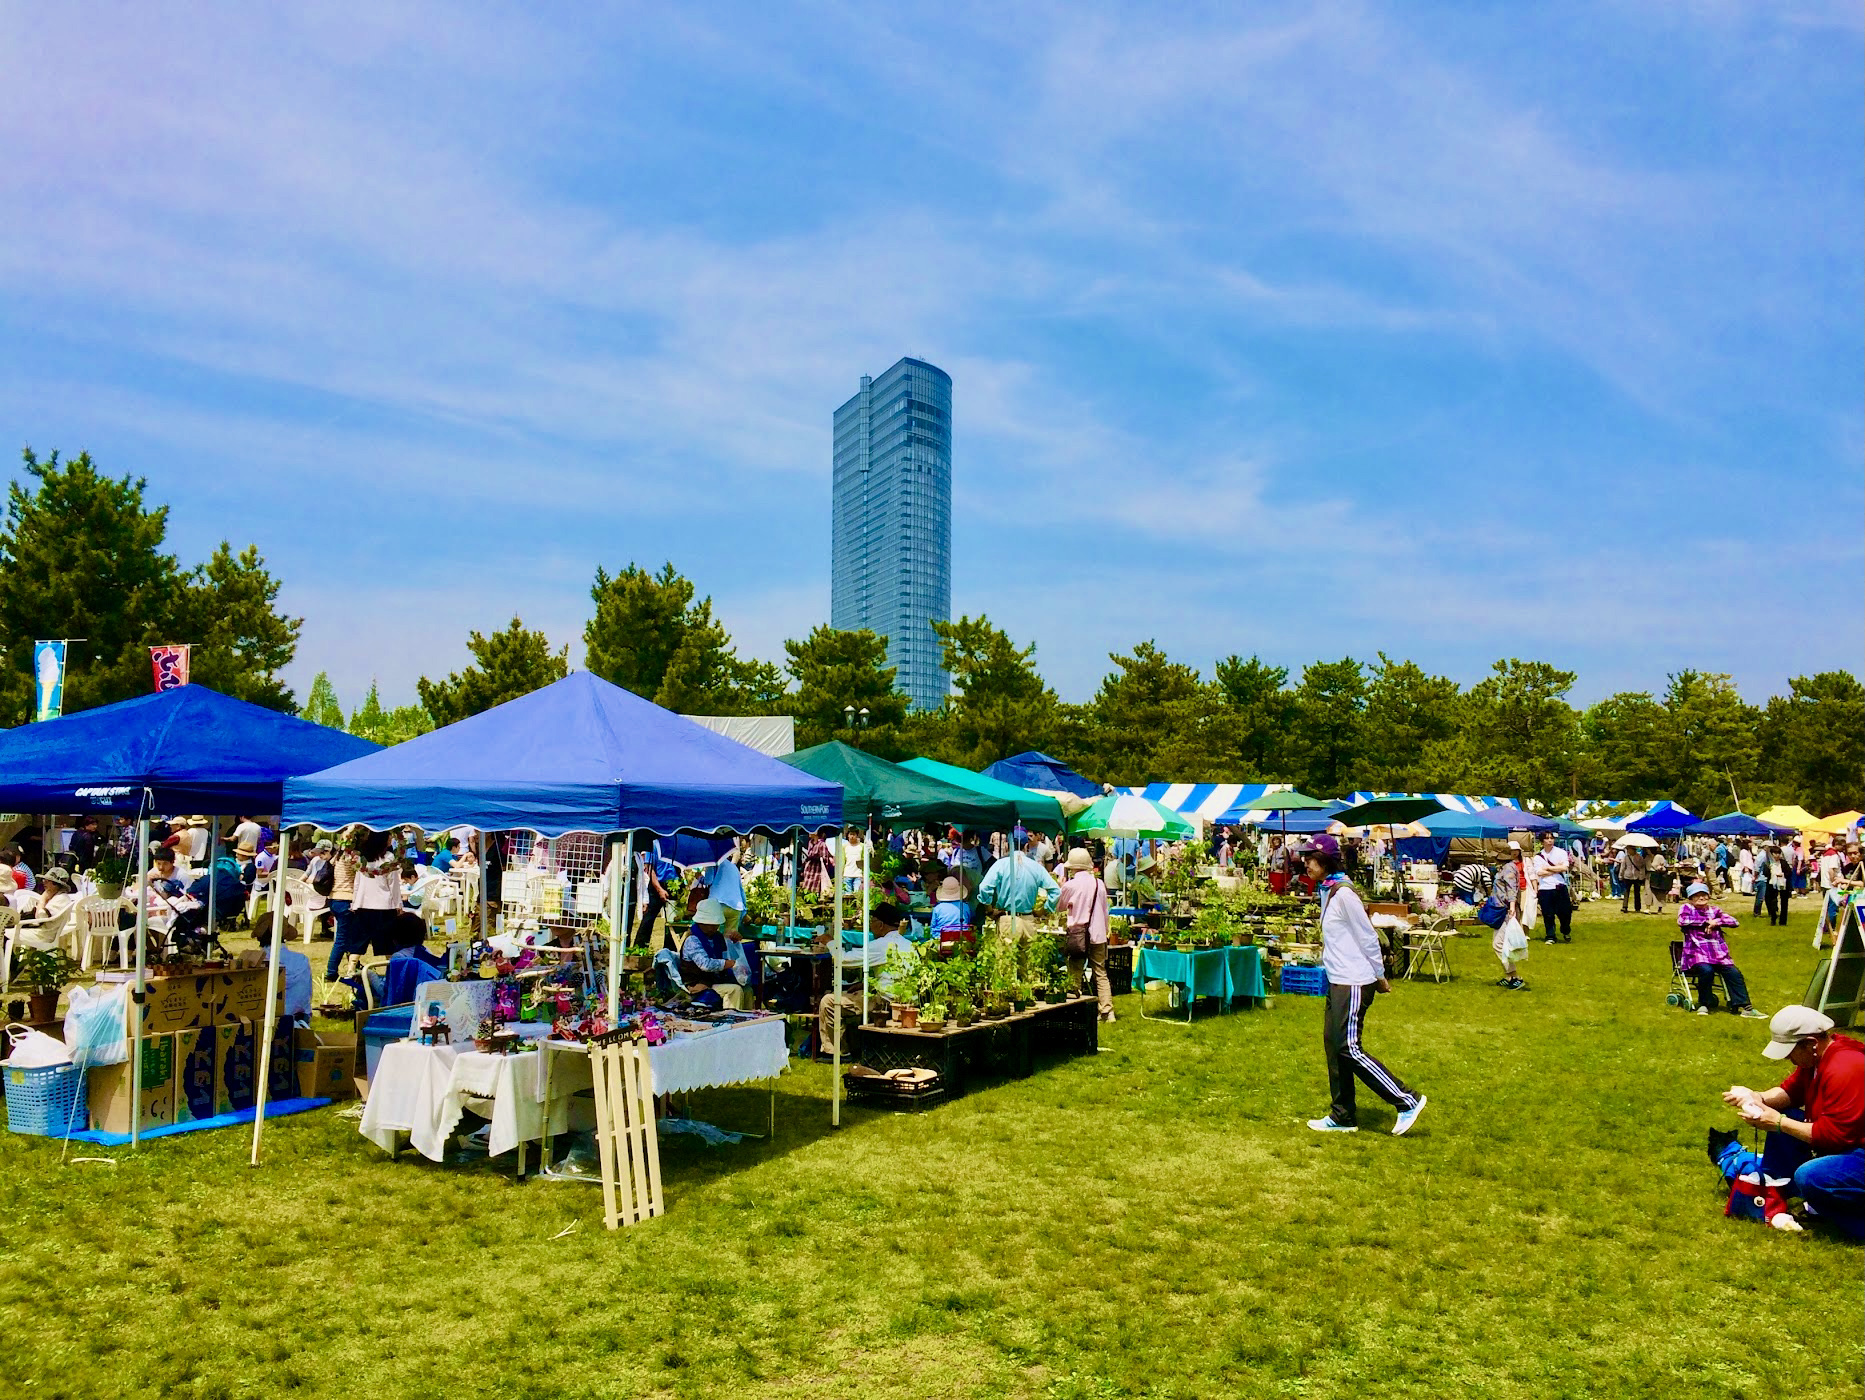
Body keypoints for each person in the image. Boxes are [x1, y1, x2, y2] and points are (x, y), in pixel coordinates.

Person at [1301, 835, 1426, 1136]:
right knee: (1334, 1046)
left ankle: (1407, 1100)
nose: (1306, 862)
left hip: (1355, 981)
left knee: (1349, 1047)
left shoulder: (1344, 894)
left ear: (1326, 861)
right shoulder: (1328, 891)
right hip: (1338, 979)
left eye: (1311, 858)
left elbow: (1368, 936)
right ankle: (1342, 1115)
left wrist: (1380, 976)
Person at [1713, 1006, 1865, 1237]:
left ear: (1811, 1043)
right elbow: (1791, 1093)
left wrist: (1778, 1122)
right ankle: (1780, 1190)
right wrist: (1758, 1097)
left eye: (1790, 1050)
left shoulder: (1846, 1068)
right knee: (1791, 1122)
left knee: (1811, 1176)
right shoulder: (1817, 1060)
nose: (1787, 1057)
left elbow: (1834, 1136)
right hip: (1848, 1145)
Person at [1678, 882, 1765, 1018]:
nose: (1701, 898)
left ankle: (1745, 1007)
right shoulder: (1686, 908)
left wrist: (1716, 922)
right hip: (1697, 953)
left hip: (1719, 954)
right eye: (1697, 896)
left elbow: (1734, 922)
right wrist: (1707, 922)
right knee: (1706, 971)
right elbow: (1683, 921)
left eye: (1704, 895)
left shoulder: (1715, 910)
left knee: (1734, 973)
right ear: (1691, 898)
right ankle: (1704, 1004)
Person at [1055, 847, 1114, 1022]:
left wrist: (1060, 887)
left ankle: (1075, 1009)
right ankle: (1107, 1010)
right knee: (1100, 972)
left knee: (1075, 970)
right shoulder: (1099, 884)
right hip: (1098, 933)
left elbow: (1059, 907)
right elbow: (1104, 910)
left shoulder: (1070, 885)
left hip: (1078, 933)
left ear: (1072, 867)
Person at [976, 836, 1060, 947]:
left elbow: (984, 887)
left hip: (1007, 919)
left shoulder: (1001, 864)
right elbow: (1056, 891)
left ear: (1007, 845)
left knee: (1006, 962)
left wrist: (989, 910)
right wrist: (1044, 910)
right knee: (1026, 963)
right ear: (1026, 846)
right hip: (1028, 920)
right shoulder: (1036, 866)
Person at [679, 898, 754, 1010]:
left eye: (716, 924)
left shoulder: (717, 937)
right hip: (697, 983)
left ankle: (749, 1022)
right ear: (701, 922)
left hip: (713, 981)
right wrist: (728, 963)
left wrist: (733, 943)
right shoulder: (692, 940)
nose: (714, 927)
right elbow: (705, 965)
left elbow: (725, 955)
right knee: (734, 990)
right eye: (711, 924)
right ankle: (731, 1021)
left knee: (748, 990)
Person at [1481, 840, 1532, 990]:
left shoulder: (1509, 869)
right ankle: (1509, 976)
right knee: (1501, 944)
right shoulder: (1505, 867)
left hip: (1505, 911)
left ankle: (1515, 976)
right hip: (1501, 909)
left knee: (1499, 944)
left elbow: (1511, 889)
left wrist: (1511, 908)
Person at [1532, 830, 1573, 945]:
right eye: (1547, 838)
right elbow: (1539, 872)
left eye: (1551, 838)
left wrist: (1548, 868)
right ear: (1542, 841)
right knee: (1548, 914)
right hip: (1545, 888)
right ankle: (1550, 935)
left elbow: (1564, 867)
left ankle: (1565, 930)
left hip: (1560, 886)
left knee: (1565, 912)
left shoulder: (1561, 852)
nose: (1550, 840)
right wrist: (1556, 868)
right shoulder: (1538, 857)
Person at [929, 875, 974, 952]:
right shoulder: (965, 906)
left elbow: (933, 928)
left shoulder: (937, 908)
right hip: (962, 942)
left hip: (942, 943)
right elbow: (968, 921)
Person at [1616, 841, 1647, 913]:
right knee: (1626, 892)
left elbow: (1642, 867)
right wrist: (1621, 875)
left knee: (1637, 892)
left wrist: (1642, 876)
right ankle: (1624, 906)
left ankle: (1637, 907)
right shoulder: (1626, 857)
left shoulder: (1639, 857)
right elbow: (1623, 867)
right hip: (1627, 876)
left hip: (1636, 876)